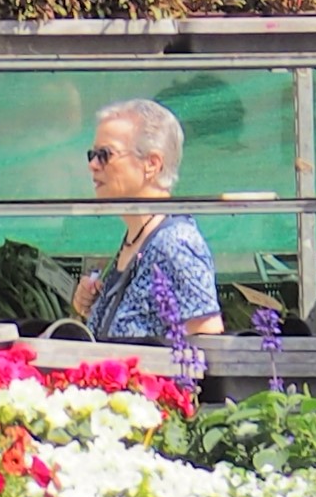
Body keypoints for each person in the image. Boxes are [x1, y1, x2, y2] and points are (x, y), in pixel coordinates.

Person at [69, 101, 224, 349]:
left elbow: (206, 342)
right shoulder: (137, 238)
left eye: (105, 155)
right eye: (92, 155)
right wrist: (91, 308)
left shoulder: (175, 244)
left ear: (151, 163)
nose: (93, 165)